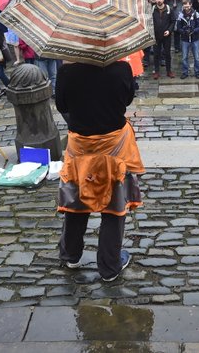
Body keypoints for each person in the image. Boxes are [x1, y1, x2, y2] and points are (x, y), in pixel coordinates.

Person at [55, 58, 143, 282]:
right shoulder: (122, 69)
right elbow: (128, 99)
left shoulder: (67, 72)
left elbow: (62, 106)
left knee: (76, 203)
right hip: (114, 146)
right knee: (113, 207)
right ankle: (109, 265)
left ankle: (71, 254)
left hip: (80, 148)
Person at [175, 0, 199, 79]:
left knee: (197, 57)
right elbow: (178, 27)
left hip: (195, 39)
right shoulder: (180, 15)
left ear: (191, 5)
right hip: (185, 39)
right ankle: (185, 72)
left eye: (188, 6)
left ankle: (197, 72)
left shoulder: (196, 14)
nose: (186, 8)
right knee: (184, 57)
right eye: (185, 6)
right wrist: (184, 31)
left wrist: (193, 30)